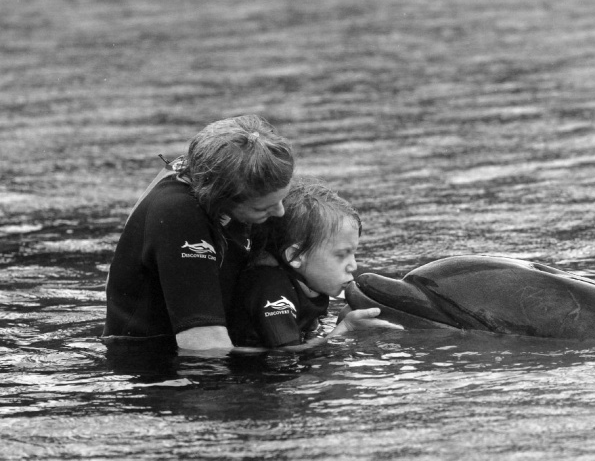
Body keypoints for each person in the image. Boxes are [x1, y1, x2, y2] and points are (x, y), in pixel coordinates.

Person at [102, 114, 294, 352]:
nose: (280, 212)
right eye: (262, 208)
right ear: (219, 197)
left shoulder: (243, 184)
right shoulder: (177, 213)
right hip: (155, 362)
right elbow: (205, 346)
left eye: (282, 198)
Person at [230, 178, 397, 351]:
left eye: (353, 254)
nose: (353, 266)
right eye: (341, 255)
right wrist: (346, 328)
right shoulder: (271, 289)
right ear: (295, 256)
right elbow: (286, 352)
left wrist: (343, 319)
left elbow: (308, 334)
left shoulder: (310, 281)